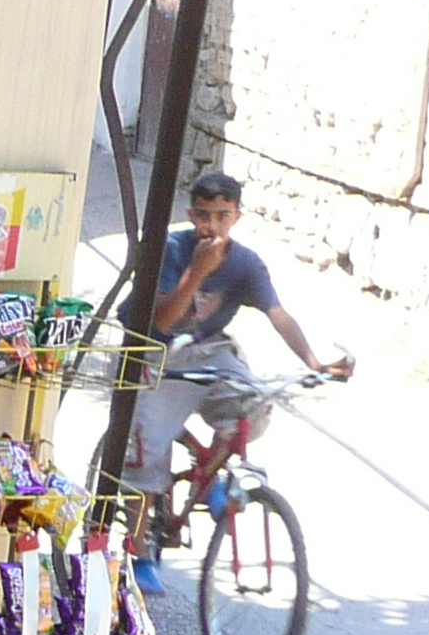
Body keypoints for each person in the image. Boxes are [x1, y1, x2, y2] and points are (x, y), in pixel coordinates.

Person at [126, 170, 352, 586]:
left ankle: (211, 476)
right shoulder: (170, 251)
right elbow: (161, 319)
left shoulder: (245, 264)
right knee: (148, 448)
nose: (212, 225)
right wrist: (196, 272)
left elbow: (277, 313)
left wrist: (313, 362)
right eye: (204, 215)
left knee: (253, 399)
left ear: (237, 217)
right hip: (154, 352)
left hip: (208, 348)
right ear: (192, 214)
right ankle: (140, 551)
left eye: (223, 215)